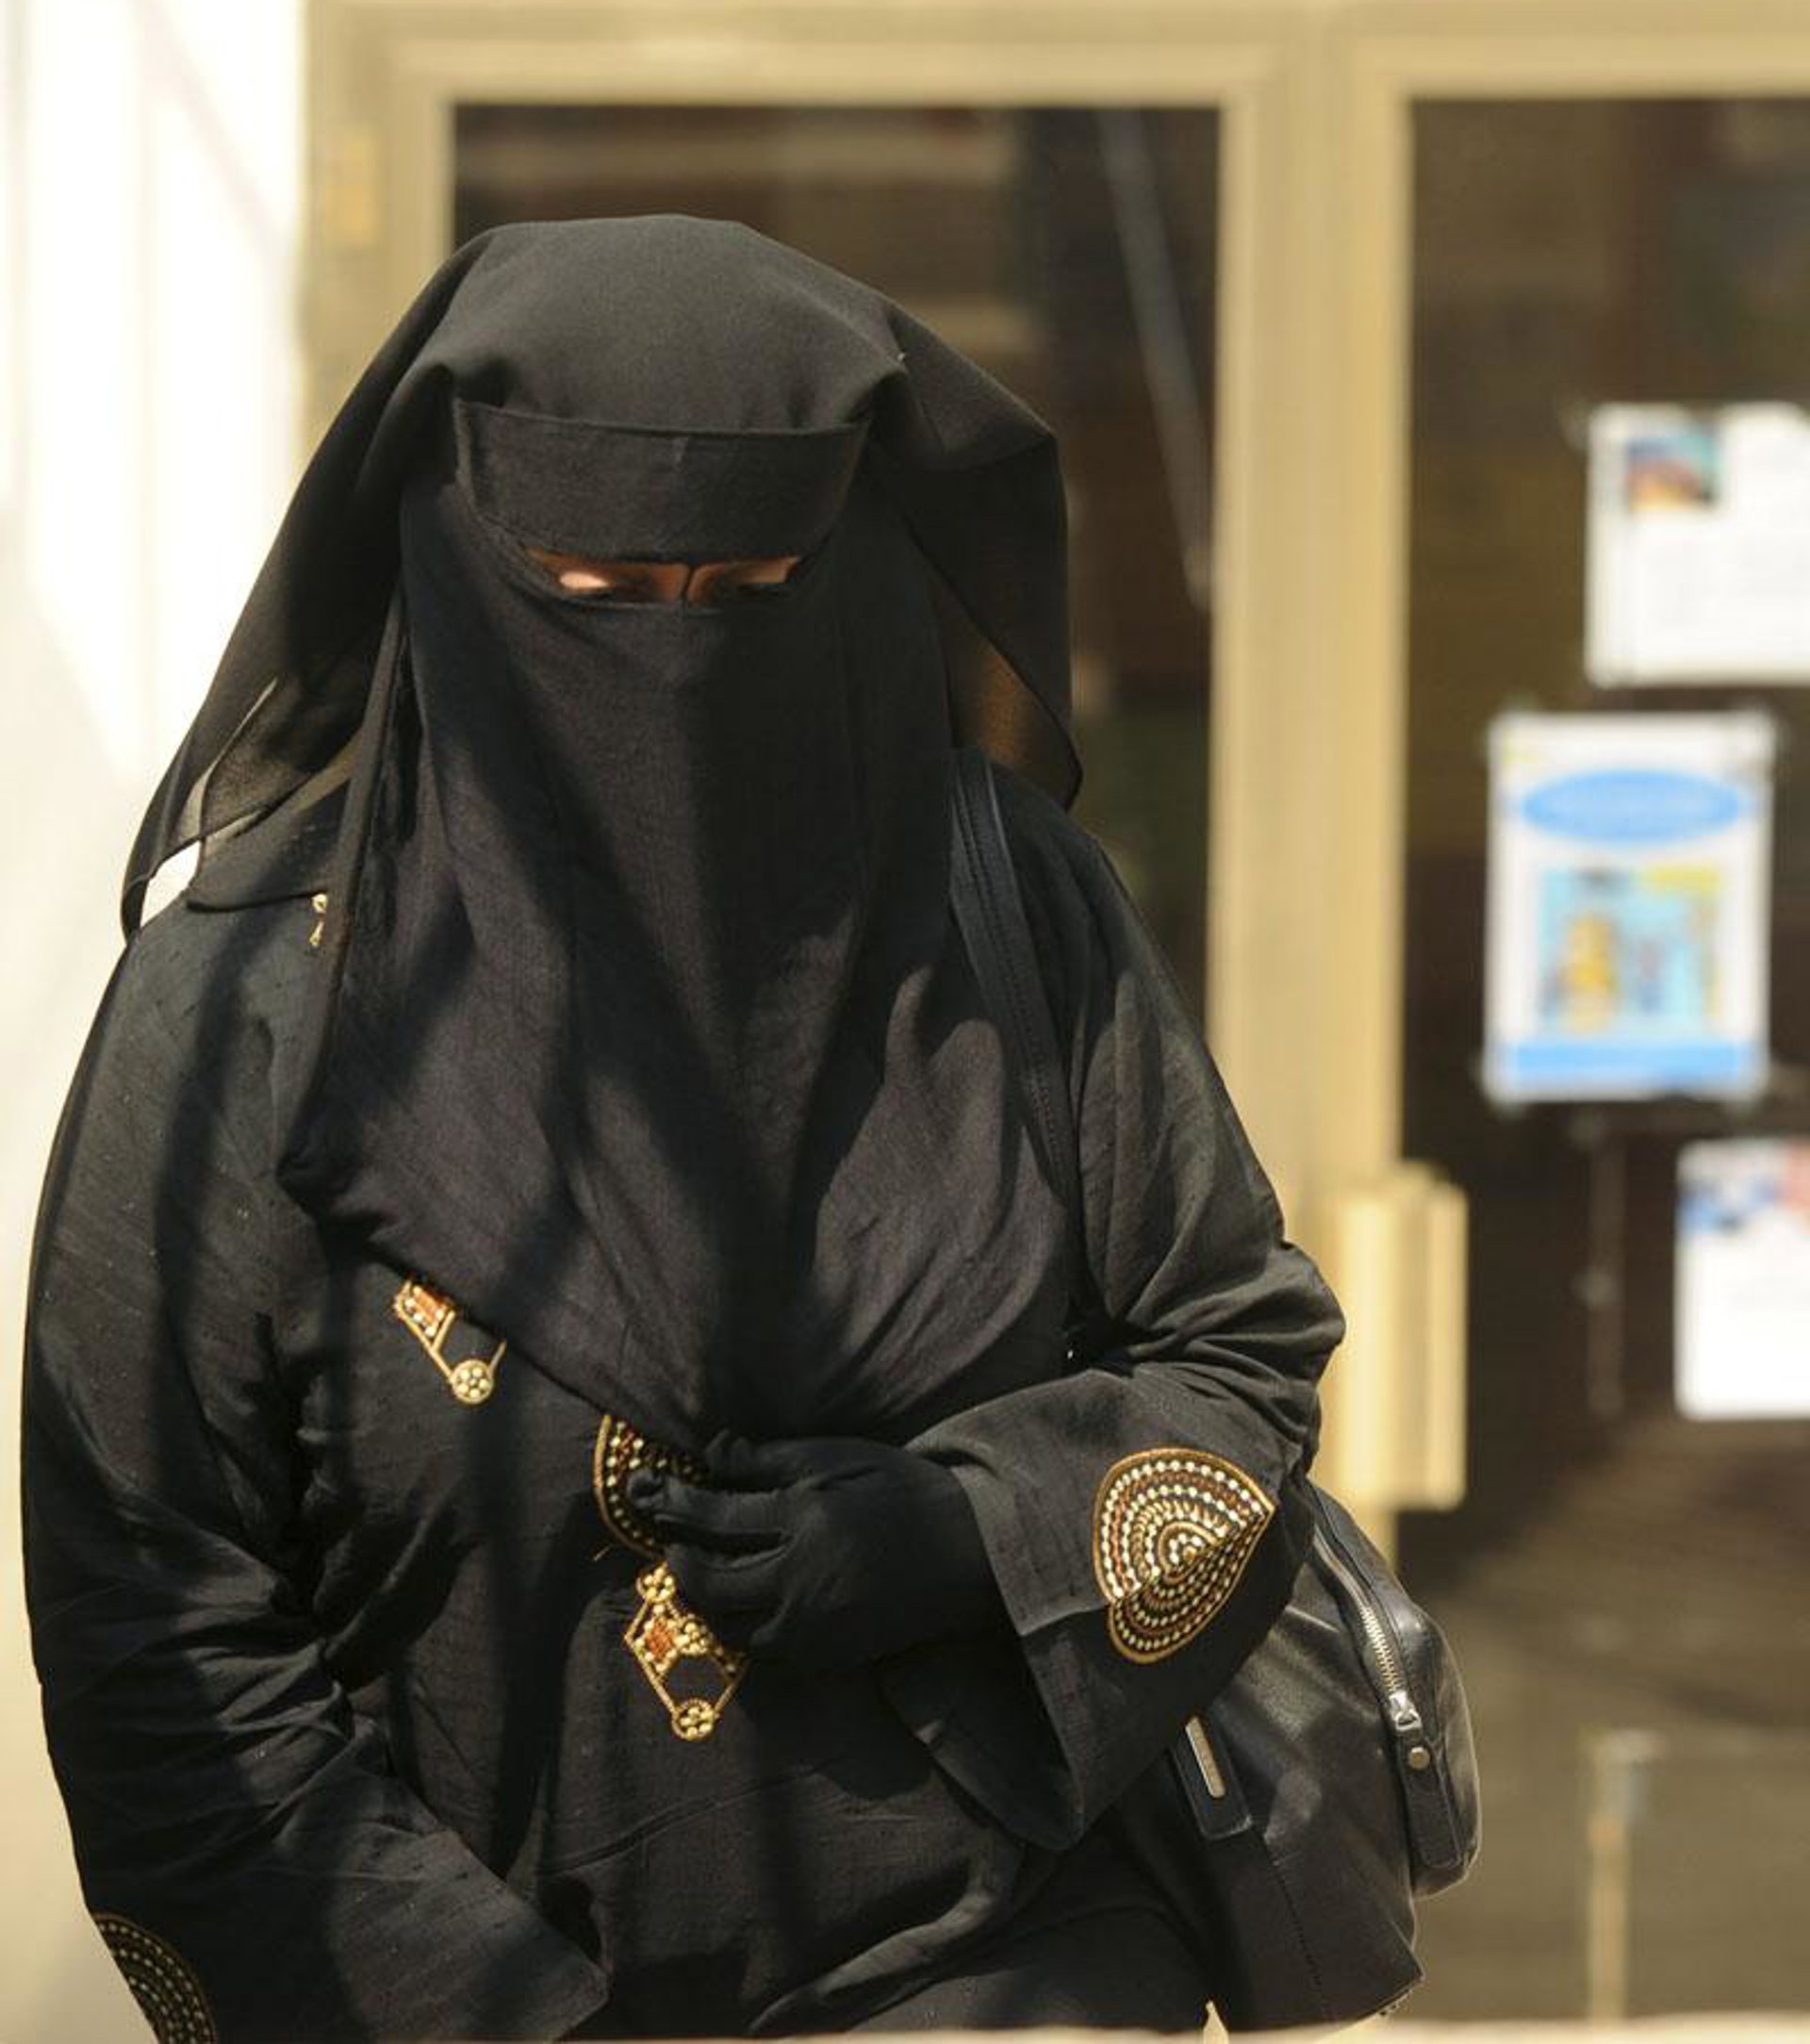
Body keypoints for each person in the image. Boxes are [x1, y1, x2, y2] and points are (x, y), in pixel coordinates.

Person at [23, 216, 1345, 2042]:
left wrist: (964, 1530)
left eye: (750, 590)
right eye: (595, 593)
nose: (676, 663)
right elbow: (155, 1618)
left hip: (997, 1961)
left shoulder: (1003, 915)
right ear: (459, 564)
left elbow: (1240, 1357)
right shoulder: (253, 1012)